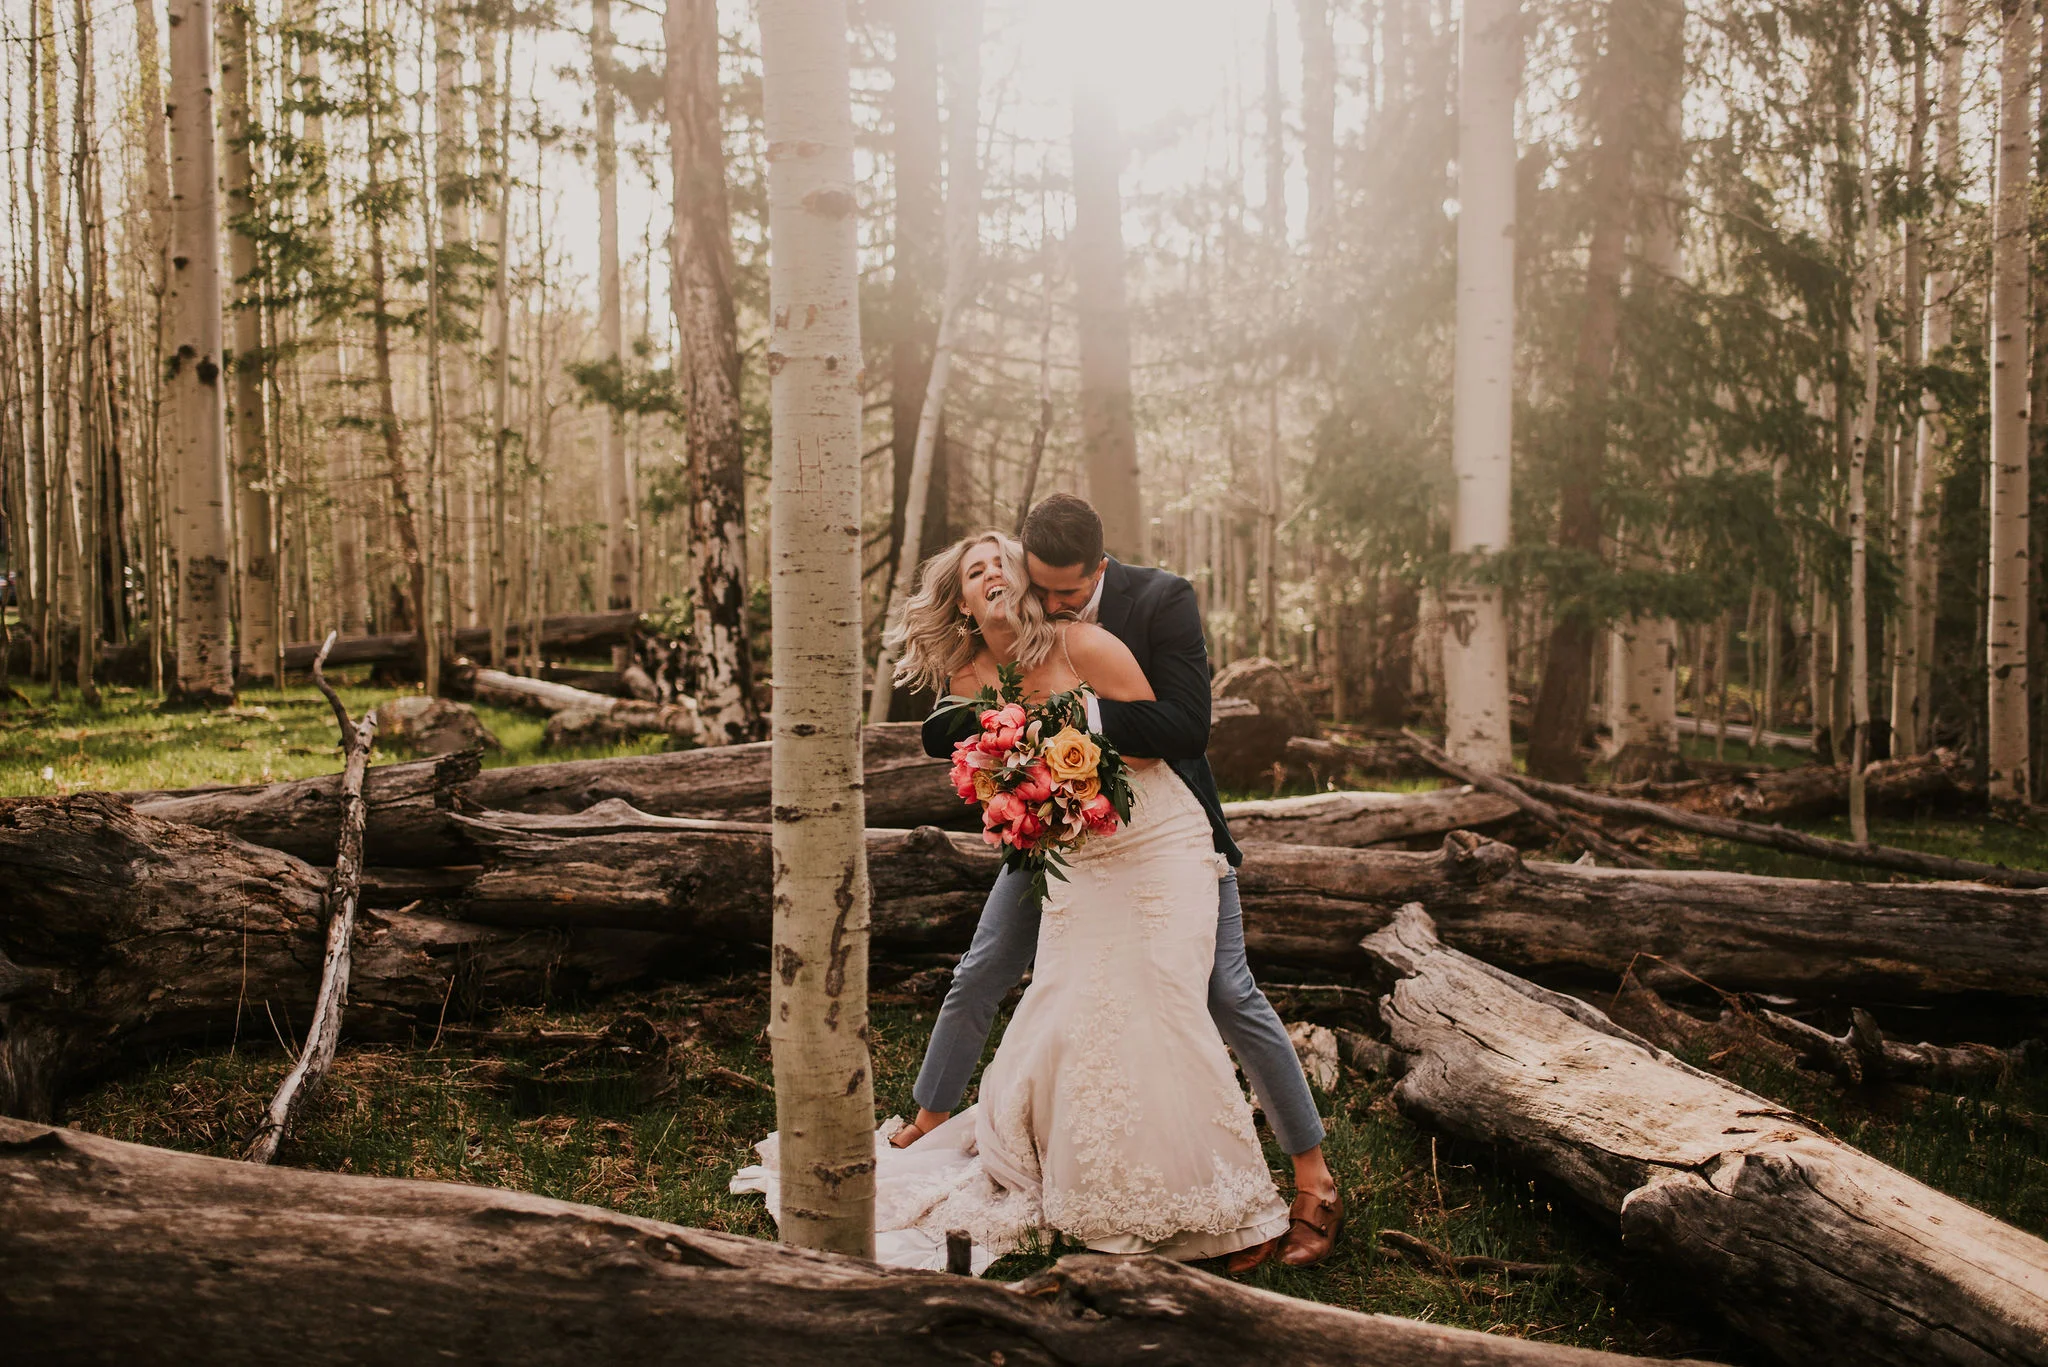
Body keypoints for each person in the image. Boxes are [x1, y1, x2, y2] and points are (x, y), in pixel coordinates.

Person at [903, 496, 1344, 1271]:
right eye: (1028, 581)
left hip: (1162, 829)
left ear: (1095, 569)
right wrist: (1009, 747)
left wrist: (1062, 726)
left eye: (1063, 588)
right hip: (1060, 842)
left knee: (1224, 992)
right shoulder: (993, 642)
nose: (1049, 597)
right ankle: (938, 1121)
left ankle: (1313, 1177)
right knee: (999, 973)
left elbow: (1182, 729)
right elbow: (944, 722)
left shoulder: (1153, 603)